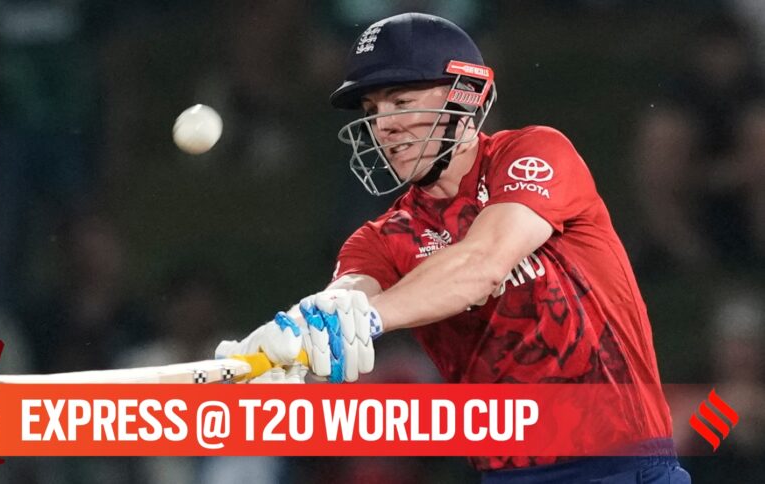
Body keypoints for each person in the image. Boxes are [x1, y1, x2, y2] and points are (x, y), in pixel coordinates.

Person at [216, 12, 690, 482]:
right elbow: (348, 297)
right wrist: (294, 339)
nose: (383, 127)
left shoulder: (536, 153)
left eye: (400, 101)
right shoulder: (379, 238)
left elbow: (482, 263)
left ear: (463, 98)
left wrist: (371, 318)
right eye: (372, 112)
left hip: (622, 466)